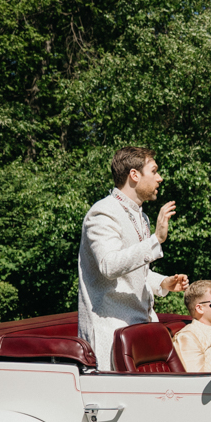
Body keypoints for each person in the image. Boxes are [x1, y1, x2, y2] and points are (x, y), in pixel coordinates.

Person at [78, 146, 189, 371]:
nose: (160, 177)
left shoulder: (142, 216)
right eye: (154, 170)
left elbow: (134, 271)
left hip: (141, 332)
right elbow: (109, 266)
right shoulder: (103, 212)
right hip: (111, 337)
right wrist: (155, 239)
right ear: (134, 175)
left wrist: (161, 283)